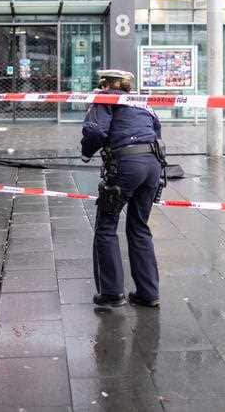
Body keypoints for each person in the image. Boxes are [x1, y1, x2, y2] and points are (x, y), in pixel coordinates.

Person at [81, 69, 166, 308]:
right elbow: (157, 129)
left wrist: (86, 152)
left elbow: (95, 130)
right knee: (139, 226)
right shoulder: (141, 101)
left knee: (106, 226)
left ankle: (111, 293)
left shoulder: (104, 97)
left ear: (105, 84)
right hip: (154, 164)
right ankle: (148, 293)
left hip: (127, 164)